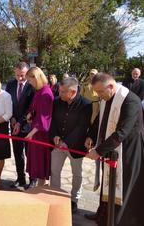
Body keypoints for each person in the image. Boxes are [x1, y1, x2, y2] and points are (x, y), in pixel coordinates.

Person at [85, 73, 144, 226]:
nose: (98, 95)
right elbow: (99, 120)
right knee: (108, 183)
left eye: (100, 91)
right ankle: (104, 216)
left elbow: (122, 132)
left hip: (127, 153)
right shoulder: (107, 98)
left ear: (111, 86)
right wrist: (91, 135)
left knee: (123, 188)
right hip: (110, 150)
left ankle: (119, 221)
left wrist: (98, 151)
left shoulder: (130, 100)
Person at [49, 77, 92, 214]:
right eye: (60, 91)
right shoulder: (56, 101)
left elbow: (81, 127)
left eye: (63, 92)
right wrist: (54, 135)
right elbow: (52, 121)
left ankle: (74, 199)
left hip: (76, 146)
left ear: (73, 92)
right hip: (57, 144)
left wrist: (66, 142)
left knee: (77, 173)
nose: (59, 94)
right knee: (54, 171)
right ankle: (55, 195)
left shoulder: (86, 104)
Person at [5, 62, 35, 188]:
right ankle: (20, 178)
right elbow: (8, 103)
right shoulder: (11, 84)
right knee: (18, 153)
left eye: (22, 75)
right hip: (14, 125)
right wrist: (11, 118)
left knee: (30, 154)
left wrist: (20, 121)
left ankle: (32, 179)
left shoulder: (32, 86)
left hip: (28, 126)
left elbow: (31, 108)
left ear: (27, 73)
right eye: (17, 75)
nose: (20, 78)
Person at [25, 67, 54, 189]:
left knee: (41, 163)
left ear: (36, 78)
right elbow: (35, 108)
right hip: (36, 131)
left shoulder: (45, 93)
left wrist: (31, 133)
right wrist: (30, 114)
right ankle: (40, 188)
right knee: (37, 162)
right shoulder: (40, 91)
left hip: (40, 135)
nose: (30, 83)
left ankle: (42, 189)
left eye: (30, 80)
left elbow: (45, 118)